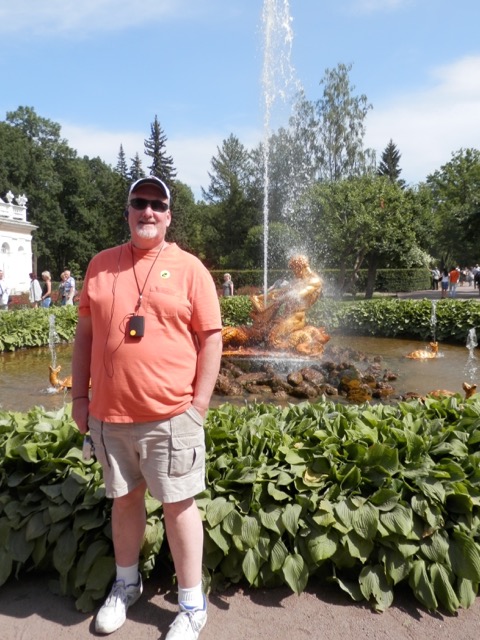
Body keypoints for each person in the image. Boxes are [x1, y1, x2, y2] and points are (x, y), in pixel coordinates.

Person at [71, 176, 223, 638]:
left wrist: (198, 404)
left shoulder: (190, 268)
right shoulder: (100, 266)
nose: (148, 211)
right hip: (110, 417)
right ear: (128, 211)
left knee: (179, 506)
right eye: (140, 203)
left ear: (170, 214)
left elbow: (211, 338)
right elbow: (85, 337)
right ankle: (126, 584)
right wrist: (80, 397)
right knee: (125, 501)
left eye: (158, 204)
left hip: (172, 417)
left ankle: (192, 605)